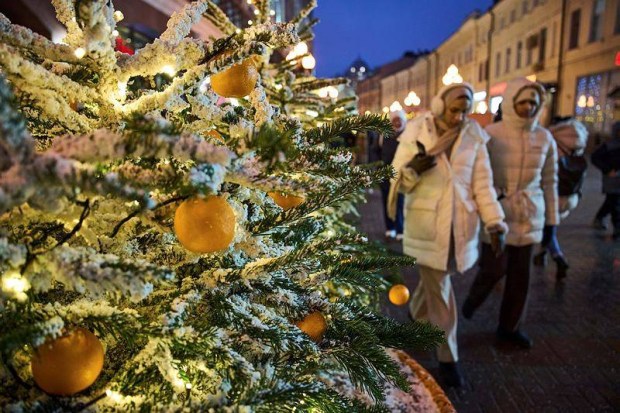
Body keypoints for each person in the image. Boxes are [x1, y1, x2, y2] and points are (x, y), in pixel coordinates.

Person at [388, 83, 507, 387]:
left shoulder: (474, 137)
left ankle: (416, 314)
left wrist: (494, 223)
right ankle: (448, 358)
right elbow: (397, 180)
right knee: (441, 292)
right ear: (441, 106)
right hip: (427, 226)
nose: (460, 117)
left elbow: (483, 186)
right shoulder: (417, 132)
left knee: (436, 281)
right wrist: (412, 169)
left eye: (465, 110)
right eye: (455, 109)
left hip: (460, 228)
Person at [462, 78, 559, 349]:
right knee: (494, 267)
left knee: (520, 276)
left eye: (533, 102)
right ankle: (475, 297)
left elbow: (550, 181)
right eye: (522, 102)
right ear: (511, 103)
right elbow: (477, 173)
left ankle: (509, 327)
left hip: (530, 213)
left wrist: (552, 222)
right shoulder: (492, 133)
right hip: (498, 212)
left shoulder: (544, 137)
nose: (528, 107)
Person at [533, 118, 589, 279]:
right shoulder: (579, 140)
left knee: (548, 225)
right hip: (570, 194)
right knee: (550, 226)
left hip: (552, 192)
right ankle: (542, 254)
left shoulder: (552, 139)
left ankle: (558, 257)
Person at [379, 110, 406, 240]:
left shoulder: (407, 137)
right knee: (386, 201)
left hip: (401, 175)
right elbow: (376, 152)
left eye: (399, 120)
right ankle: (390, 228)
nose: (397, 123)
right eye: (394, 120)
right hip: (385, 175)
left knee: (400, 202)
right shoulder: (384, 135)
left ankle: (400, 228)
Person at [591, 121, 620, 239]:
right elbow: (595, 158)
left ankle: (600, 218)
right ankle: (617, 229)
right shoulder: (609, 145)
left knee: (612, 202)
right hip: (612, 180)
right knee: (614, 203)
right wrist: (607, 170)